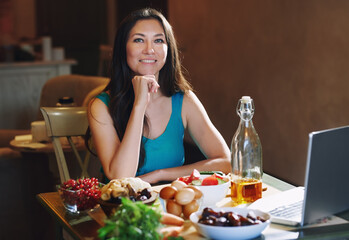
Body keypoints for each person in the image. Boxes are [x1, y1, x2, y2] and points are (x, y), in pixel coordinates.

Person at [87, 8, 231, 184]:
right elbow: (121, 178)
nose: (149, 50)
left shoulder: (183, 100)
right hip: (125, 206)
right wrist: (139, 105)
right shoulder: (101, 106)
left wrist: (160, 174)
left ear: (168, 49)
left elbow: (226, 162)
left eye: (158, 40)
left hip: (173, 202)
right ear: (123, 48)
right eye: (139, 40)